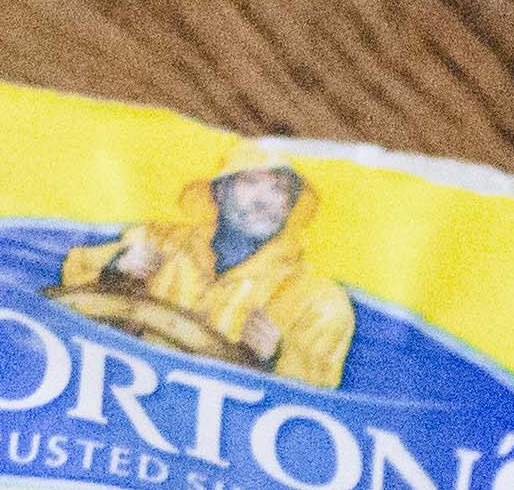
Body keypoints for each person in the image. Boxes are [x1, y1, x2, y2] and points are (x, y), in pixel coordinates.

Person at [57, 152, 356, 389]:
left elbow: (312, 404)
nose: (263, 200)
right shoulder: (158, 241)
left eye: (279, 189)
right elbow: (68, 291)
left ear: (290, 205)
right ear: (218, 192)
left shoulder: (321, 302)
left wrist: (270, 363)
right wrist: (113, 271)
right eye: (250, 182)